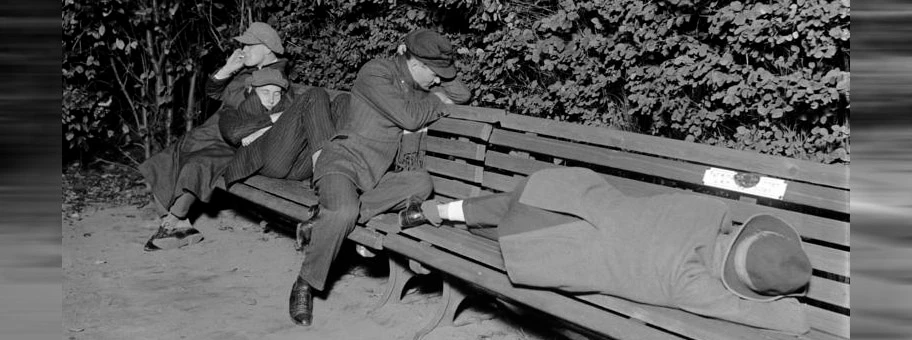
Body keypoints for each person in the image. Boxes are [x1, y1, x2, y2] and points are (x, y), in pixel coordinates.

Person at [398, 167, 813, 335]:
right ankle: (451, 217)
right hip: (542, 247)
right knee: (509, 233)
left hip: (560, 191)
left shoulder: (708, 209)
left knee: (508, 205)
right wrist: (788, 302)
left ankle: (435, 211)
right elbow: (752, 313)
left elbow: (705, 218)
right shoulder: (690, 285)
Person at [287, 28, 472, 326]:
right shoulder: (375, 73)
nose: (438, 81)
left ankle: (323, 218)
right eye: (434, 73)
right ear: (417, 64)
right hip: (342, 163)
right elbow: (410, 118)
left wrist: (442, 75)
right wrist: (438, 102)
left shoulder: (419, 81)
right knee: (345, 210)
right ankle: (305, 283)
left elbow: (462, 95)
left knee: (421, 182)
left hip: (377, 176)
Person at [139, 22, 335, 251]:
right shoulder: (249, 70)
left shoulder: (273, 76)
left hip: (238, 141)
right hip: (220, 131)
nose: (244, 50)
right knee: (168, 156)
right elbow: (214, 92)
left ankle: (175, 221)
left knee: (199, 163)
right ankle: (175, 220)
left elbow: (268, 115)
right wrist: (228, 68)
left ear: (267, 48)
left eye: (250, 45)